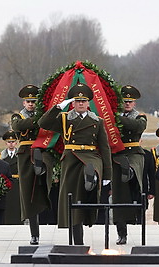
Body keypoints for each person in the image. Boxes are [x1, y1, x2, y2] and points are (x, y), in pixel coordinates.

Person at [38, 83, 112, 245]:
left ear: (88, 103)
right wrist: (58, 107)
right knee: (72, 200)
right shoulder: (64, 119)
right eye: (77, 101)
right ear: (72, 103)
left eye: (83, 101)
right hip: (71, 158)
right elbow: (43, 123)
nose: (80, 104)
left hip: (91, 156)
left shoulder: (97, 121)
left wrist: (107, 174)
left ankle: (91, 181)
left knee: (91, 170)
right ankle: (78, 241)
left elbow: (105, 147)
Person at [11, 85, 51, 245]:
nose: (31, 104)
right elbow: (18, 127)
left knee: (44, 189)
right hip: (26, 155)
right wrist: (38, 120)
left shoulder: (43, 115)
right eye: (28, 101)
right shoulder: (17, 116)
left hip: (42, 151)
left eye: (34, 101)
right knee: (29, 194)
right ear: (23, 103)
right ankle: (34, 233)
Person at [111, 85, 147, 245]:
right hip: (118, 155)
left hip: (133, 153)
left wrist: (116, 118)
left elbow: (137, 127)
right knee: (119, 196)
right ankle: (121, 232)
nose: (127, 104)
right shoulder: (113, 116)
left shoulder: (140, 117)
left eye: (130, 101)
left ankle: (131, 173)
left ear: (134, 103)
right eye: (124, 101)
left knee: (133, 169)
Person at [0, 130, 23, 225]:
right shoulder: (1, 156)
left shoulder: (21, 155)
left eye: (13, 142)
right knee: (8, 205)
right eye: (9, 142)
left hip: (18, 182)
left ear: (16, 143)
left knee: (17, 205)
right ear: (6, 143)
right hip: (7, 183)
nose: (11, 144)